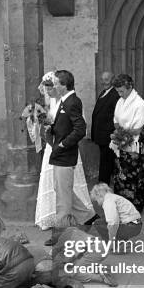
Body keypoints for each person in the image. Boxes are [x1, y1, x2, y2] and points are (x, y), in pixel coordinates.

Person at [32, 71, 93, 232]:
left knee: (62, 200)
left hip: (65, 155)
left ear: (64, 86)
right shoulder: (65, 101)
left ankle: (61, 234)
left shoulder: (73, 102)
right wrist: (51, 128)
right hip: (59, 154)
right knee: (62, 190)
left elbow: (80, 130)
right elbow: (64, 124)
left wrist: (63, 145)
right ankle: (88, 216)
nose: (54, 86)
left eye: (56, 83)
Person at [109, 74, 144, 212]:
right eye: (117, 91)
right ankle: (122, 204)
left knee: (133, 174)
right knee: (120, 173)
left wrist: (121, 132)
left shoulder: (140, 103)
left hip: (135, 144)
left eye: (122, 91)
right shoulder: (120, 101)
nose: (119, 94)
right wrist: (119, 133)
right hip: (122, 142)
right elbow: (115, 120)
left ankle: (136, 204)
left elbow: (138, 128)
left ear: (130, 87)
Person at [91, 71, 120, 184]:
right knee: (105, 161)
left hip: (108, 135)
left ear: (112, 80)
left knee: (106, 162)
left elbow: (116, 116)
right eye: (102, 79)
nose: (104, 82)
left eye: (107, 79)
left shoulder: (115, 94)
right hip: (101, 135)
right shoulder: (104, 92)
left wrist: (112, 133)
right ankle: (105, 183)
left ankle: (103, 185)